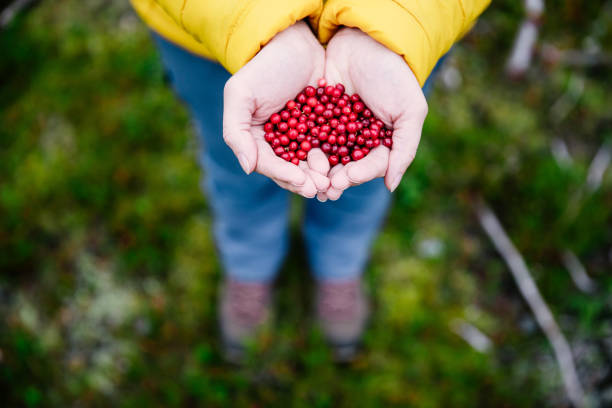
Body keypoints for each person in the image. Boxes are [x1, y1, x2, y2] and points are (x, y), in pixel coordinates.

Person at [130, 0, 490, 362]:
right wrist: (256, 19)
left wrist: (393, 21)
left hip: (408, 31)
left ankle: (340, 264)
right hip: (209, 25)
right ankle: (249, 265)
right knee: (239, 161)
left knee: (364, 173)